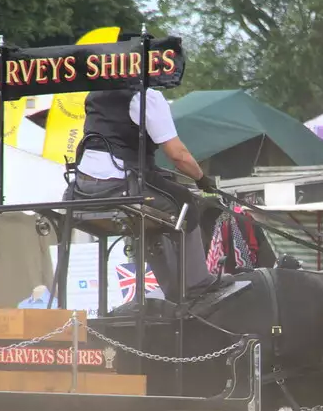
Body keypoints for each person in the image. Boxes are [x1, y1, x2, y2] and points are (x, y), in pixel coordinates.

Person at [66, 77, 221, 301]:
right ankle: (196, 282)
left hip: (83, 186)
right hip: (120, 183)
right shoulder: (146, 97)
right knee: (186, 202)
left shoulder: (95, 95)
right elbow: (178, 155)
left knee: (161, 201)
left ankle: (173, 289)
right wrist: (201, 178)